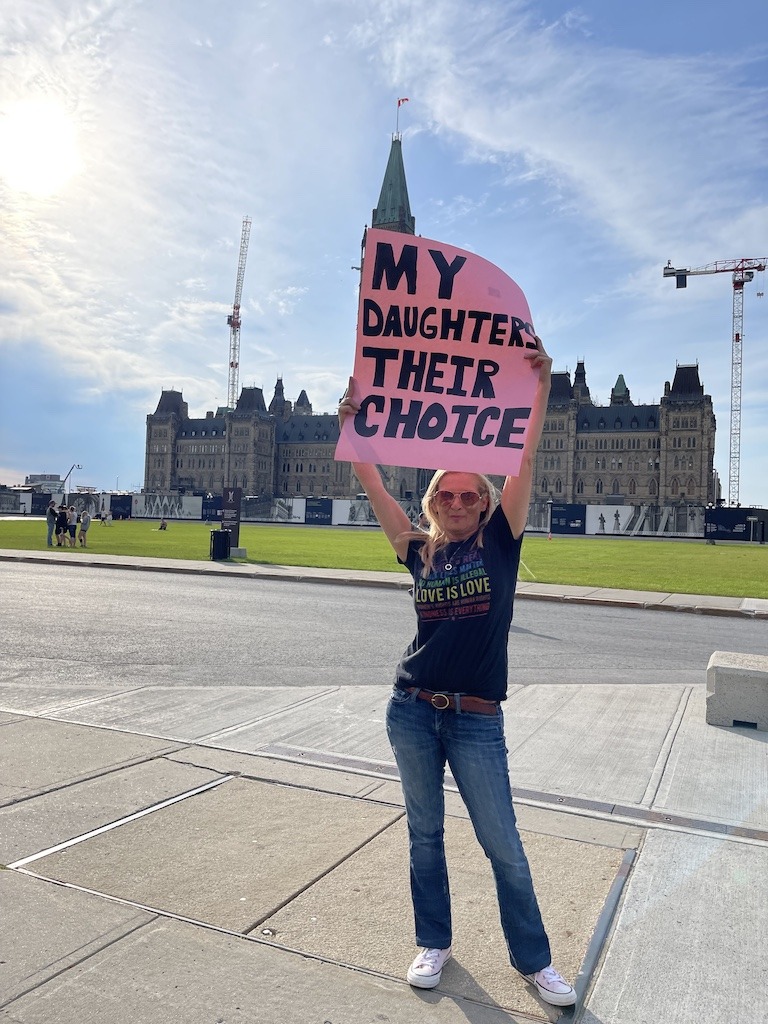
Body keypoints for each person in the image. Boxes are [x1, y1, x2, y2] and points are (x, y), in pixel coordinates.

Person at [337, 336, 576, 1008]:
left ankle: (535, 962)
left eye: (472, 493)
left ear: (485, 499)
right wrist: (352, 425)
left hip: (476, 720)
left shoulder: (501, 540)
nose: (461, 502)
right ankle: (433, 942)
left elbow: (524, 455)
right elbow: (372, 481)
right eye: (449, 493)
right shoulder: (416, 550)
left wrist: (540, 389)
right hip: (411, 709)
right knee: (424, 836)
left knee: (503, 843)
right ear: (435, 500)